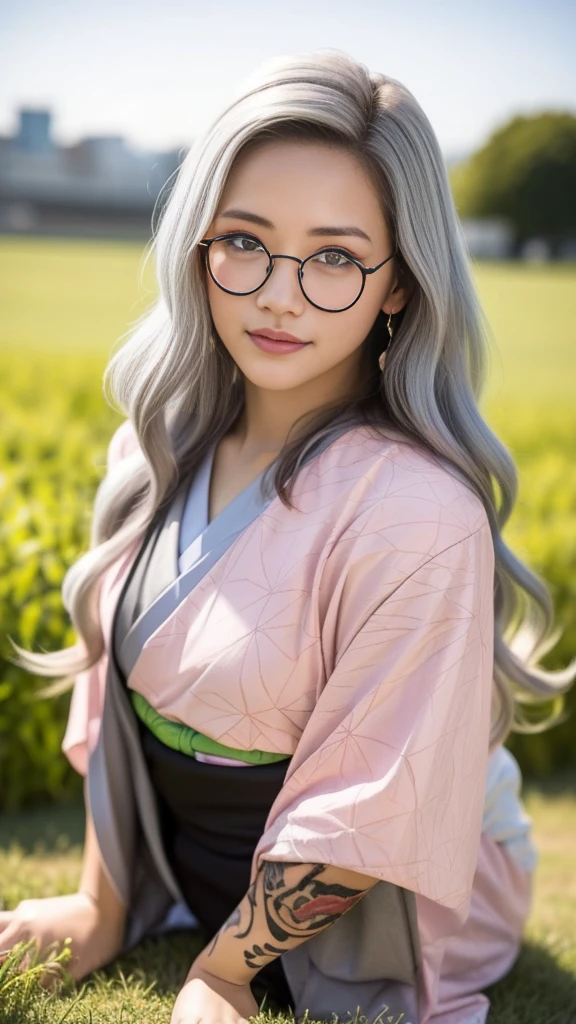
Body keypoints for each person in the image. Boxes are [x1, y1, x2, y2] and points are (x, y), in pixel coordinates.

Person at [4, 49, 576, 1024]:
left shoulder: (421, 510)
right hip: (200, 852)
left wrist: (222, 975)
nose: (277, 293)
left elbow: (372, 798)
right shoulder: (156, 445)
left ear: (399, 284)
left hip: (395, 886)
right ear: (199, 244)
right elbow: (121, 717)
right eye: (244, 241)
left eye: (337, 258)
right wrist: (102, 908)